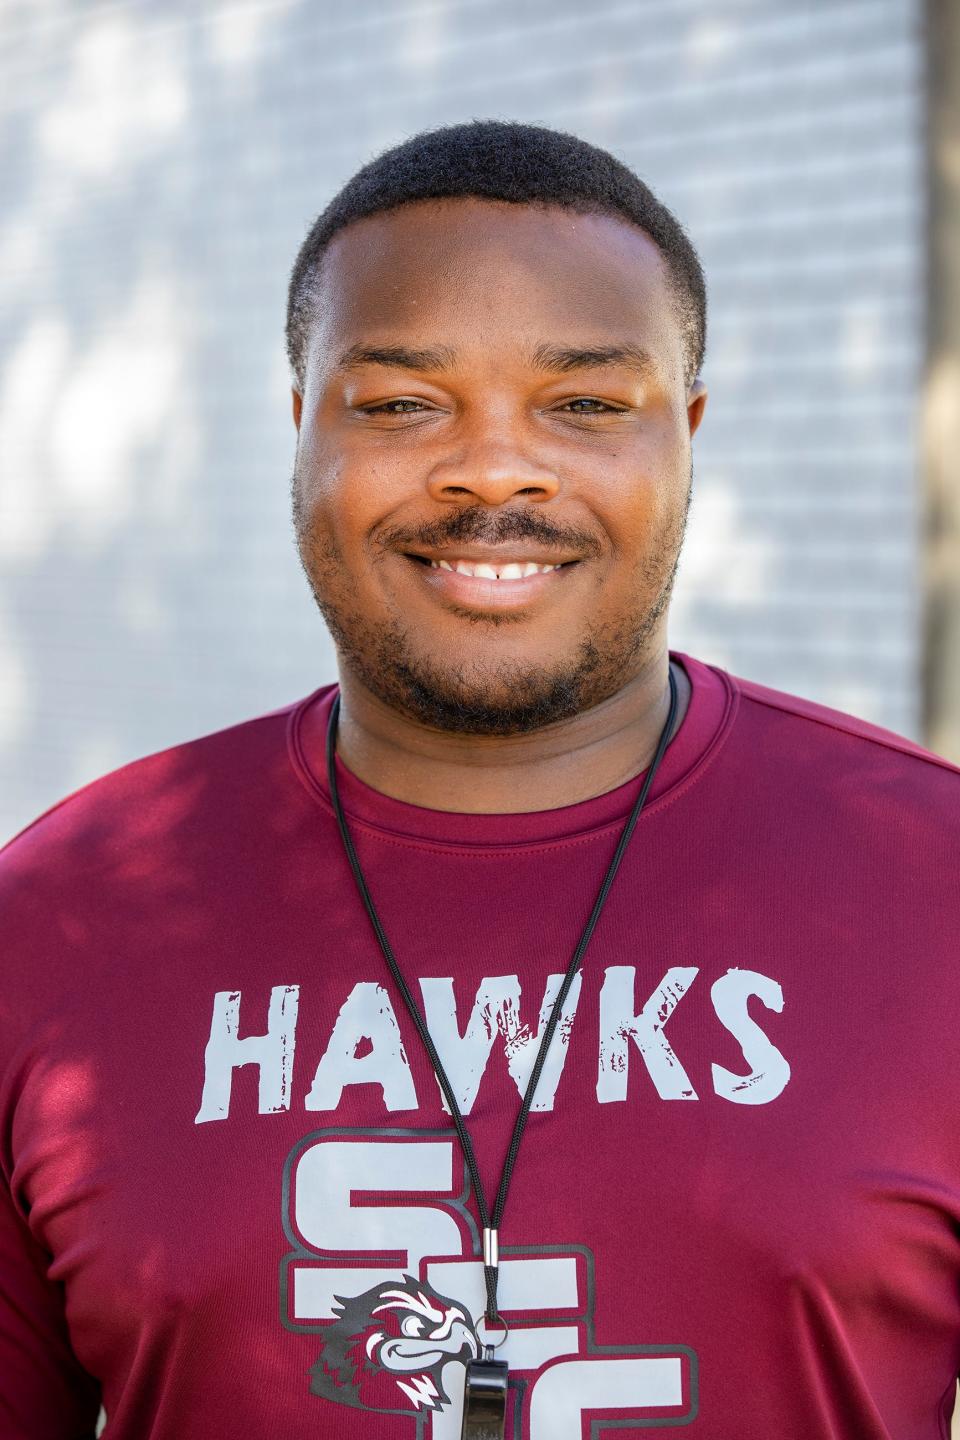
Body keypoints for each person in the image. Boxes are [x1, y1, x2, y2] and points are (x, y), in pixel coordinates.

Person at [1, 120, 958, 1440]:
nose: (495, 469)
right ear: (301, 430)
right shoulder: (56, 921)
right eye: (399, 404)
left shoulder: (930, 884)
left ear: (684, 433)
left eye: (586, 404)